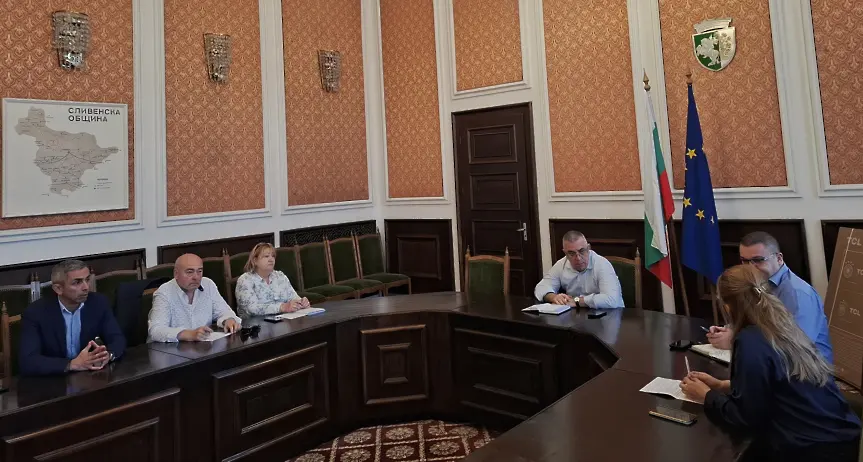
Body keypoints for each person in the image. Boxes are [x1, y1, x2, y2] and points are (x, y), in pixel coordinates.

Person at [680, 265, 860, 462]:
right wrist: (722, 385)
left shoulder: (749, 340)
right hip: (839, 435)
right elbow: (782, 382)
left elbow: (745, 417)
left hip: (812, 448)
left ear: (728, 307)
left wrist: (706, 395)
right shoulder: (782, 324)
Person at [706, 231, 833, 362]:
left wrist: (735, 341)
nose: (750, 267)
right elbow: (759, 325)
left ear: (779, 258)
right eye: (745, 261)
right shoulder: (755, 283)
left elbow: (796, 347)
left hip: (806, 368)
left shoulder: (798, 294)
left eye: (758, 260)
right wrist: (729, 330)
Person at [18, 260, 126, 376]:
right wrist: (71, 364)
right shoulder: (35, 312)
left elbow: (117, 339)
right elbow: (28, 360)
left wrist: (108, 356)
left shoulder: (98, 303)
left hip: (86, 375)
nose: (86, 287)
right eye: (77, 282)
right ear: (58, 289)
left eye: (87, 280)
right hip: (52, 378)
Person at [147, 253, 241, 342]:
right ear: (176, 274)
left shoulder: (208, 284)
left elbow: (224, 311)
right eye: (190, 272)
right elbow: (156, 330)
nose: (196, 277)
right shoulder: (164, 292)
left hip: (202, 346)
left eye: (199, 271)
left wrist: (229, 320)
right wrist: (189, 334)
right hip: (170, 350)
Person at [533, 230, 624, 308]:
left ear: (588, 248)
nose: (578, 258)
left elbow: (611, 300)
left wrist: (577, 301)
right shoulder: (562, 264)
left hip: (610, 315)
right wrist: (553, 297)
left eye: (582, 251)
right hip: (578, 316)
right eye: (572, 253)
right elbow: (541, 287)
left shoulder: (602, 264)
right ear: (565, 253)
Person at [235, 243, 310, 316]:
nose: (271, 259)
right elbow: (252, 308)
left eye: (273, 256)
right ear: (255, 260)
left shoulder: (280, 276)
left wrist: (301, 302)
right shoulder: (245, 280)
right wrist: (282, 307)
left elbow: (293, 297)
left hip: (284, 319)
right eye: (266, 256)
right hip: (255, 322)